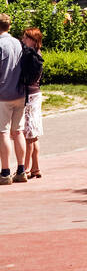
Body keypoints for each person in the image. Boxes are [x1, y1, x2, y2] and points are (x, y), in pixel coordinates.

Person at [0, 13, 27, 184]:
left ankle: (5, 172)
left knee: (3, 132)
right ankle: (21, 169)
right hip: (20, 93)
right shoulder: (17, 43)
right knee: (18, 132)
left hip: (3, 94)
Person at [20, 27, 44, 179]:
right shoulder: (38, 55)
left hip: (29, 95)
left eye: (25, 38)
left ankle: (27, 167)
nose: (23, 40)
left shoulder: (31, 56)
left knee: (28, 134)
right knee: (33, 134)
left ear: (34, 41)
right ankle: (36, 167)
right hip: (36, 94)